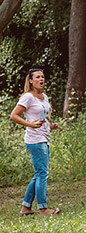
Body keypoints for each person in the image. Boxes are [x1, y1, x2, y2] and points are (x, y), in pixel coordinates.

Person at [10, 68, 60, 216]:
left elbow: (43, 118)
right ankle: (43, 208)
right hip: (35, 140)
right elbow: (14, 115)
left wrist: (50, 126)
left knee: (39, 173)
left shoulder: (44, 97)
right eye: (37, 77)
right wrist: (30, 124)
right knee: (42, 173)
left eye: (43, 77)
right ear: (31, 81)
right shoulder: (28, 97)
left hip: (44, 138)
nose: (41, 79)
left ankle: (26, 208)